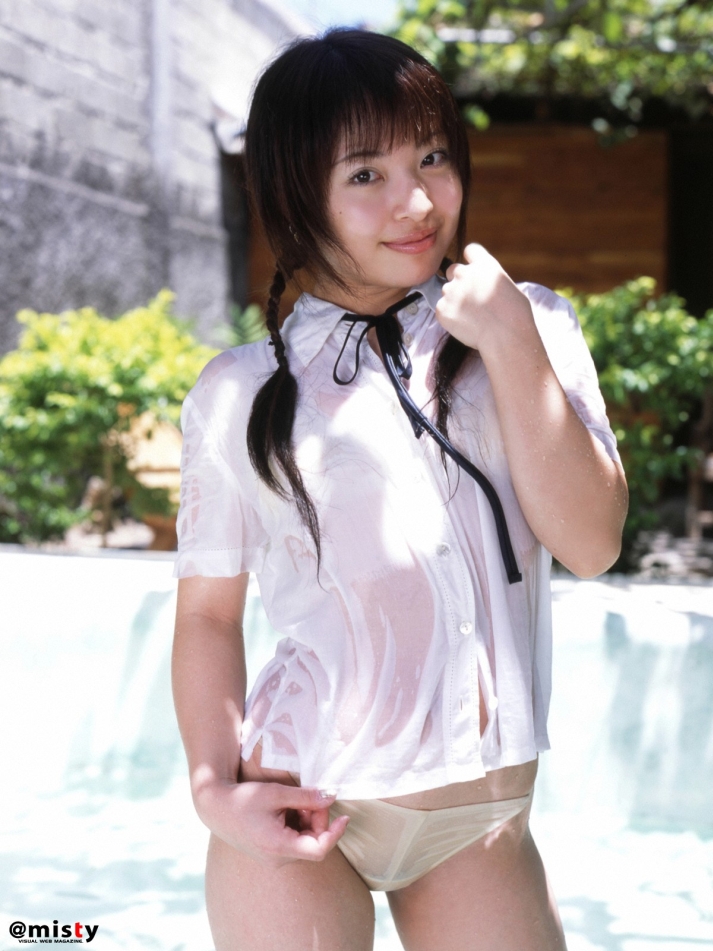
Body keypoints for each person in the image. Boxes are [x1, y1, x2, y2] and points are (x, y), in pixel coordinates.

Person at [171, 28, 628, 951]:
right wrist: (214, 789)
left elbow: (591, 544)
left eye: (431, 157)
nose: (416, 200)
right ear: (297, 195)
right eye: (364, 174)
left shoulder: (531, 325)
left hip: (481, 822)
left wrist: (508, 340)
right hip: (297, 799)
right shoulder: (239, 392)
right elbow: (209, 616)